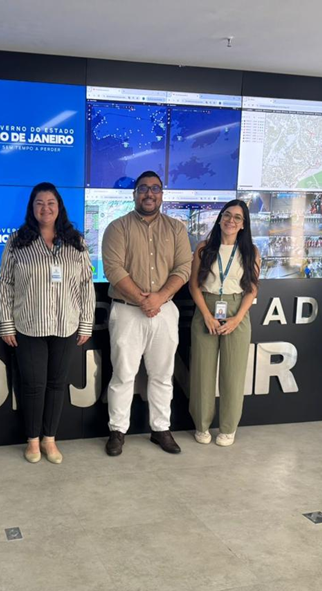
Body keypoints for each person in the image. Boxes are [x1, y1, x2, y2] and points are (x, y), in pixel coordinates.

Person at [0, 182, 95, 464]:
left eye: (51, 203)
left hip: (66, 325)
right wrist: (6, 323)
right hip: (30, 325)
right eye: (39, 203)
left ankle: (49, 439)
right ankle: (32, 440)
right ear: (32, 207)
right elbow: (5, 283)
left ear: (59, 207)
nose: (45, 208)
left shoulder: (76, 241)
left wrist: (86, 322)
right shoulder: (18, 241)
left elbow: (86, 284)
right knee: (32, 385)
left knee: (56, 384)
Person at [101, 170, 192, 456]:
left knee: (163, 374)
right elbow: (113, 269)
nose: (149, 194)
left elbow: (184, 268)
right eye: (143, 189)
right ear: (134, 194)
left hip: (164, 311)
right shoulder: (117, 228)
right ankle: (117, 431)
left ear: (162, 195)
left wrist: (159, 298)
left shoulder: (176, 229)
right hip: (127, 311)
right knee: (123, 375)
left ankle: (160, 429)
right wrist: (143, 300)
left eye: (155, 188)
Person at [188, 200, 260, 447]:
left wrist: (237, 318)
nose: (231, 220)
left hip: (237, 310)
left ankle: (228, 428)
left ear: (243, 224)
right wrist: (207, 315)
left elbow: (252, 289)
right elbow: (194, 286)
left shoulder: (251, 251)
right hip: (206, 307)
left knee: (233, 374)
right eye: (227, 215)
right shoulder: (204, 248)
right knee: (202, 373)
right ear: (220, 219)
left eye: (237, 217)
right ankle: (202, 425)